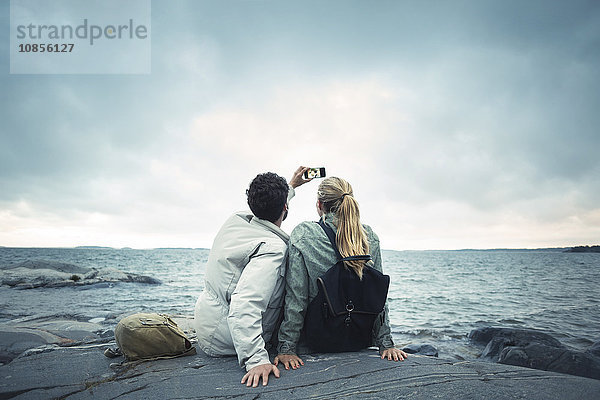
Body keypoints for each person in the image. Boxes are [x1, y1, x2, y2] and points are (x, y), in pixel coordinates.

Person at [275, 176, 408, 370]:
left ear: (319, 204)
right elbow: (378, 295)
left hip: (315, 341)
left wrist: (287, 348)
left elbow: (297, 297)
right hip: (358, 340)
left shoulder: (305, 234)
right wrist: (386, 344)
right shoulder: (369, 235)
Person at [194, 167, 310, 387]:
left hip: (208, 322)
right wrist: (256, 360)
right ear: (285, 208)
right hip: (225, 340)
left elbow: (269, 205)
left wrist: (292, 186)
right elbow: (246, 303)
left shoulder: (236, 222)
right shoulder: (272, 247)